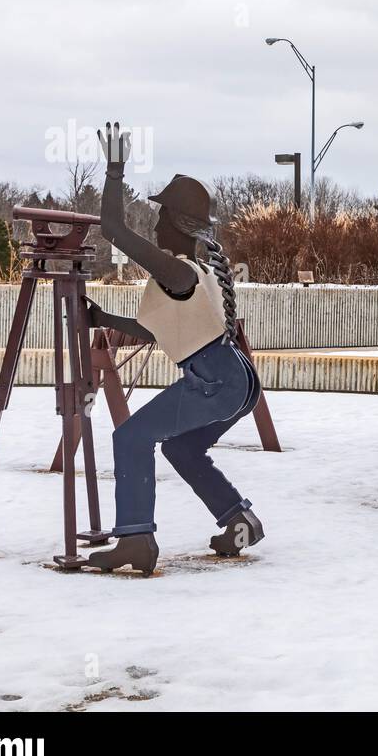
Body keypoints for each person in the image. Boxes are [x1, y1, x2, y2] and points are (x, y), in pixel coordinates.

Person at [82, 122, 264, 575]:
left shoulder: (177, 270)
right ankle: (240, 521)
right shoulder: (196, 273)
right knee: (180, 450)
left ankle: (136, 540)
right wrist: (104, 320)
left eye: (162, 217)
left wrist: (115, 169)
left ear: (179, 226)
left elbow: (113, 229)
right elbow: (161, 332)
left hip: (214, 381)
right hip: (236, 379)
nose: (157, 224)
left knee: (131, 436)